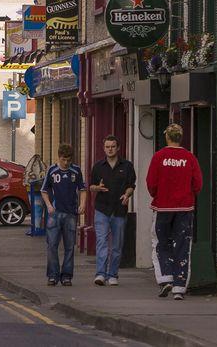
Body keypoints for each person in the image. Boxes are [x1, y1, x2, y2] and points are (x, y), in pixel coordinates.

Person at [147, 123, 203, 301]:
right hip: (184, 208)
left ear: (167, 137)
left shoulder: (158, 157)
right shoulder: (190, 158)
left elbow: (151, 183)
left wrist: (158, 194)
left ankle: (165, 278)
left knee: (160, 242)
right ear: (181, 137)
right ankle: (179, 286)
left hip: (163, 207)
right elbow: (198, 184)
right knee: (182, 245)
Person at [89, 135, 136, 286]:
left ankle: (113, 274)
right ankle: (100, 274)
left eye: (113, 146)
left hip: (119, 210)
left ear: (118, 148)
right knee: (102, 242)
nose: (110, 149)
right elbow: (90, 186)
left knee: (117, 245)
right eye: (107, 147)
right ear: (104, 148)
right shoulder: (98, 166)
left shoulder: (127, 166)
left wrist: (127, 194)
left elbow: (131, 185)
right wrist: (97, 188)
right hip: (102, 209)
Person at [40, 143, 86, 286]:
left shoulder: (76, 170)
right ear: (58, 157)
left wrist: (83, 204)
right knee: (52, 245)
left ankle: (66, 276)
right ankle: (53, 275)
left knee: (69, 246)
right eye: (63, 160)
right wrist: (48, 205)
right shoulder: (52, 171)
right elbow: (44, 190)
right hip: (55, 213)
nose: (66, 163)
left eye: (68, 160)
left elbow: (82, 189)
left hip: (71, 213)